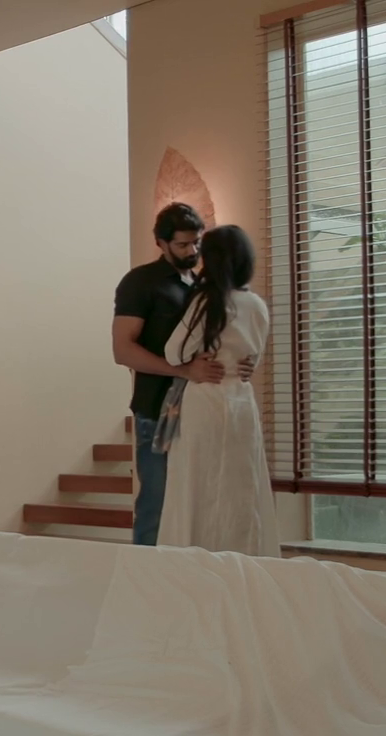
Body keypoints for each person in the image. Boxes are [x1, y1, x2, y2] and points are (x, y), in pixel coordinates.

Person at [156, 225, 276, 556]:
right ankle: (243, 559)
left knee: (196, 485)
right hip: (241, 401)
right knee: (241, 486)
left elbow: (174, 352)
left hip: (205, 398)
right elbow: (253, 360)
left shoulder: (208, 302)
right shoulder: (257, 305)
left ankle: (192, 560)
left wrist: (195, 361)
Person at [113, 203, 225, 546]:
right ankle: (144, 573)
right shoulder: (140, 282)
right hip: (156, 411)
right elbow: (122, 350)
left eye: (197, 242)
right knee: (156, 504)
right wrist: (183, 370)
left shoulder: (203, 285)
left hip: (201, 409)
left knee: (200, 505)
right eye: (182, 245)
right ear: (161, 243)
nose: (192, 251)